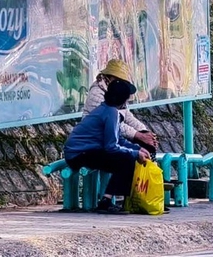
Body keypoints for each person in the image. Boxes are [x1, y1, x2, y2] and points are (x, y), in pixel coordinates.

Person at [62, 73, 150, 213]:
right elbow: (111, 146)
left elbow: (116, 139)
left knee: (129, 156)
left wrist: (136, 148)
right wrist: (134, 153)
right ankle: (106, 201)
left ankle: (113, 200)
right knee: (127, 160)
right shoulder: (112, 113)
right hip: (78, 154)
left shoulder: (107, 109)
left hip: (84, 151)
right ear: (123, 100)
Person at [81, 59, 160, 152]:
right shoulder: (97, 93)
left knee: (144, 147)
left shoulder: (115, 90)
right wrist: (138, 135)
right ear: (111, 77)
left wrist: (145, 132)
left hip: (111, 135)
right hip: (95, 140)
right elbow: (112, 123)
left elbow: (127, 115)